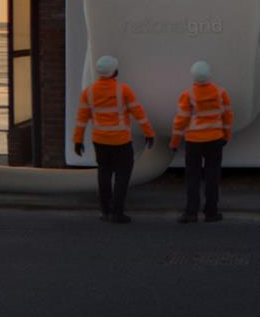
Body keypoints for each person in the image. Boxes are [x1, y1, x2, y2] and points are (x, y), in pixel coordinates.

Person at [74, 55, 156, 223]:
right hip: (121, 141)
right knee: (122, 176)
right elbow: (139, 114)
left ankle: (105, 211)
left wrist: (78, 140)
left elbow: (81, 119)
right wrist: (149, 133)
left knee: (104, 174)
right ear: (115, 71)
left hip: (100, 141)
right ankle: (117, 213)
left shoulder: (88, 93)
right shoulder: (124, 90)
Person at [171, 60, 233, 223]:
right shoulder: (221, 93)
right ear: (209, 75)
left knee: (193, 177)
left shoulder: (188, 95)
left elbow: (180, 121)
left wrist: (174, 142)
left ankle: (191, 213)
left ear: (193, 77)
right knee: (212, 177)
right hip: (215, 140)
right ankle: (211, 213)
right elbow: (227, 117)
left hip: (194, 142)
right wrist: (226, 136)